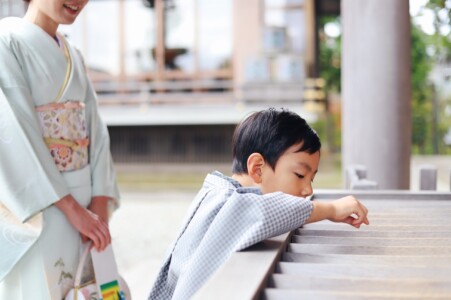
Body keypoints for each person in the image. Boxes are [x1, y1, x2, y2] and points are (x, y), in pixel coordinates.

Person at [148, 108, 370, 300]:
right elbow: (265, 211)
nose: (308, 190)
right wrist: (330, 209)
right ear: (257, 168)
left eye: (311, 179)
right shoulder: (228, 201)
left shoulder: (217, 194)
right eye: (300, 175)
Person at [0, 0, 120, 299]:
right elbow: (15, 130)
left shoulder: (74, 55)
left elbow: (96, 130)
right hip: (42, 207)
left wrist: (100, 202)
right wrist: (70, 208)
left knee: (84, 288)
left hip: (87, 208)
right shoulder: (6, 43)